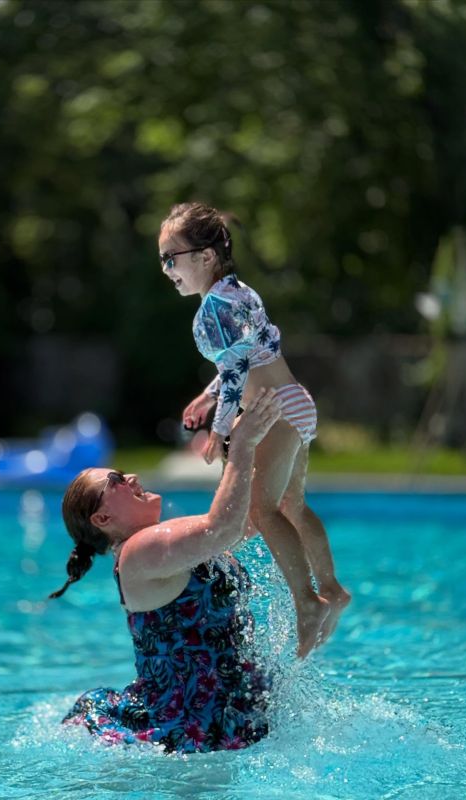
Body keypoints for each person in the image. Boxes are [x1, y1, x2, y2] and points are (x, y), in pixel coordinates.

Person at [158, 202, 350, 658]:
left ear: (205, 256)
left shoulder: (212, 309)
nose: (166, 270)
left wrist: (220, 428)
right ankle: (331, 587)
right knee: (292, 506)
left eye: (171, 259)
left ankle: (307, 601)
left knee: (263, 511)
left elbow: (236, 368)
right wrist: (208, 396)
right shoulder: (239, 293)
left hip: (273, 411)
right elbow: (248, 356)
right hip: (295, 401)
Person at [49, 389, 281, 754]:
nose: (131, 477)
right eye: (116, 481)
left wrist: (266, 437)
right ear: (103, 519)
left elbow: (249, 517)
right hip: (186, 729)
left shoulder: (162, 543)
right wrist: (242, 447)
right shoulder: (137, 552)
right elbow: (224, 528)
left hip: (235, 709)